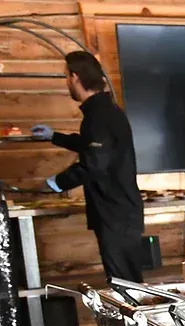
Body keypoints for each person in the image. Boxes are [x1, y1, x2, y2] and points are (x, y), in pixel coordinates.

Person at [31, 51, 145, 283]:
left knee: (125, 286)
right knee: (129, 283)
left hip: (115, 215)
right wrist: (55, 136)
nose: (66, 83)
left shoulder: (99, 116)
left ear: (74, 77)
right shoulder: (103, 111)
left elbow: (95, 163)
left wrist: (57, 182)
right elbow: (92, 147)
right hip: (119, 213)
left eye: (66, 77)